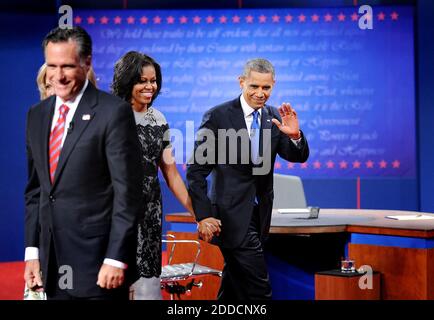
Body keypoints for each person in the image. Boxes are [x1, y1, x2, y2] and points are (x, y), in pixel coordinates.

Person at [23, 26, 144, 300]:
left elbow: (128, 194)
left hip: (99, 267)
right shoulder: (36, 115)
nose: (58, 76)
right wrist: (33, 252)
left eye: (67, 66)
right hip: (52, 265)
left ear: (87, 62)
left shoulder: (113, 112)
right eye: (51, 66)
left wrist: (115, 258)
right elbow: (36, 192)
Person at [186, 58, 310, 300]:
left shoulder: (274, 117)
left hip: (259, 214)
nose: (260, 93)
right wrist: (202, 215)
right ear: (241, 82)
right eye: (254, 86)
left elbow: (296, 155)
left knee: (233, 285)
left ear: (273, 85)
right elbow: (196, 171)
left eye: (266, 88)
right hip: (229, 215)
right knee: (259, 290)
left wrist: (295, 136)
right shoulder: (217, 116)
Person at [111, 51, 221, 300]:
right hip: (115, 211)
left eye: (153, 80)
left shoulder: (158, 119)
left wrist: (199, 215)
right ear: (127, 81)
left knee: (146, 286)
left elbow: (170, 172)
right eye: (142, 81)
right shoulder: (110, 114)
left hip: (149, 211)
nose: (149, 87)